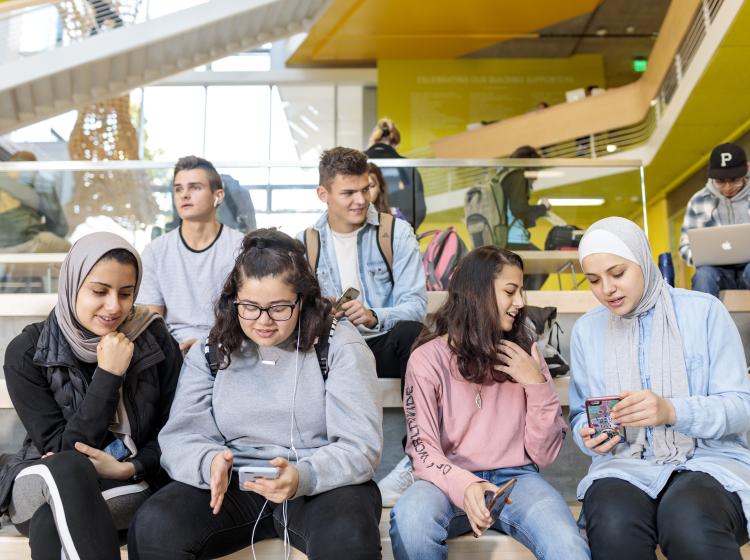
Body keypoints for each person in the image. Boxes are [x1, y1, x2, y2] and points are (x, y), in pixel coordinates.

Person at [128, 229, 383, 559]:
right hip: (234, 484)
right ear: (233, 300)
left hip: (321, 485)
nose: (263, 321)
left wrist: (303, 475)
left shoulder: (338, 345)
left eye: (279, 308)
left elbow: (359, 445)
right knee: (153, 524)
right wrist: (209, 463)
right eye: (249, 306)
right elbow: (182, 436)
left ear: (302, 300)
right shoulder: (211, 349)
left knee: (348, 537)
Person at [389, 246, 590, 560]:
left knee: (568, 546)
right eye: (510, 291)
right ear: (476, 294)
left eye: (521, 291)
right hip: (447, 482)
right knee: (410, 521)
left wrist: (536, 384)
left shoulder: (526, 353)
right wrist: (466, 485)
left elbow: (544, 453)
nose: (520, 302)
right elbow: (422, 449)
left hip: (518, 481)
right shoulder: (427, 359)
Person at [570, 216, 750, 560]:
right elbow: (581, 415)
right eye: (593, 280)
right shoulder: (586, 331)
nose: (606, 289)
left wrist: (672, 411)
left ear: (643, 260)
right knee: (611, 522)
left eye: (618, 273)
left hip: (707, 460)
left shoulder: (704, 313)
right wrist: (589, 435)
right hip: (624, 465)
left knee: (688, 519)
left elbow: (741, 407)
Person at [0, 232, 182, 560]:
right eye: (99, 291)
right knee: (67, 467)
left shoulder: (152, 339)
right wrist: (108, 376)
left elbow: (177, 431)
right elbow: (64, 452)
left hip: (127, 478)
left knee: (50, 522)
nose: (114, 306)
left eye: (126, 294)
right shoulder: (27, 352)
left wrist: (133, 467)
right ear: (72, 284)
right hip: (41, 479)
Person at [297, 147, 426, 506]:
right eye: (348, 193)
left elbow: (415, 306)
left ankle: (416, 457)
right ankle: (319, 461)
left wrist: (374, 315)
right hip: (335, 349)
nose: (360, 200)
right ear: (323, 194)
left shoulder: (394, 233)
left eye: (365, 189)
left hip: (383, 342)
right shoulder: (307, 243)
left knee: (413, 336)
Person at [137, 155, 244, 353]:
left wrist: (208, 345)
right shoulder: (155, 251)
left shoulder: (241, 248)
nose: (184, 194)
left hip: (227, 348)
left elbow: (248, 314)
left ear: (218, 196)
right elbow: (150, 322)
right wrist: (172, 350)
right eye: (178, 189)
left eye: (195, 187)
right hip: (171, 352)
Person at [679, 142, 750, 297]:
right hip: (716, 271)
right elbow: (685, 247)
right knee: (703, 275)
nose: (727, 187)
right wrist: (701, 256)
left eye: (734, 180)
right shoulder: (698, 201)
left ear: (747, 170)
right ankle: (705, 321)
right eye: (720, 181)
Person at [0, 150, 70, 253]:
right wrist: (40, 228)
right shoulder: (39, 180)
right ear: (35, 167)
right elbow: (60, 227)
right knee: (70, 250)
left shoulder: (3, 177)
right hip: (25, 243)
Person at [503, 145, 551, 290]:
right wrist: (542, 208)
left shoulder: (507, 176)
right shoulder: (518, 176)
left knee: (526, 274)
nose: (537, 176)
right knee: (542, 266)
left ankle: (521, 304)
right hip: (514, 240)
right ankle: (524, 306)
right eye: (536, 169)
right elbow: (519, 210)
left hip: (508, 238)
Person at [365, 118, 426, 229]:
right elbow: (419, 209)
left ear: (373, 141)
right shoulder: (407, 167)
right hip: (397, 233)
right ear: (396, 143)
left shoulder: (357, 164)